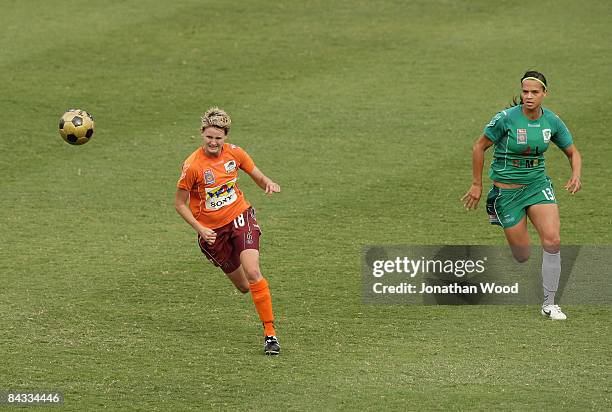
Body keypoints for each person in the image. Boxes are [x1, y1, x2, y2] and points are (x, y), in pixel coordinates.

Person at [461, 71, 582, 320]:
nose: (528, 96)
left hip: (537, 186)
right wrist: (476, 184)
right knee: (522, 254)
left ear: (544, 94)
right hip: (507, 193)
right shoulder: (505, 119)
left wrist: (576, 174)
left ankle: (550, 303)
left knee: (552, 241)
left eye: (534, 92)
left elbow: (572, 151)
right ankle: (501, 212)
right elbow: (479, 146)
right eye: (525, 92)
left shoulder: (552, 121)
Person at [175, 107, 281, 354]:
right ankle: (265, 320)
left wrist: (267, 183)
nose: (213, 142)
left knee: (254, 271)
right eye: (209, 137)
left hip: (240, 216)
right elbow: (180, 204)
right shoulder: (192, 166)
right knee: (244, 286)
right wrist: (200, 228)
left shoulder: (235, 154)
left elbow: (255, 174)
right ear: (202, 133)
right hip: (212, 233)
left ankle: (270, 335)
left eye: (218, 138)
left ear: (225, 137)